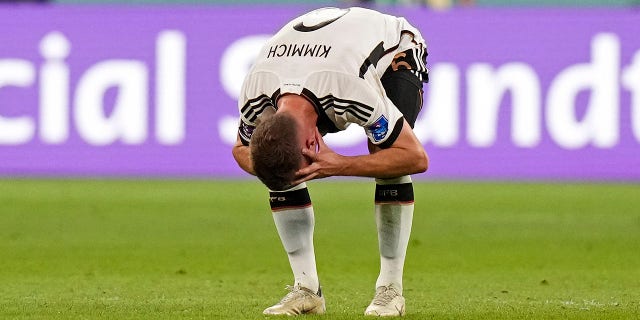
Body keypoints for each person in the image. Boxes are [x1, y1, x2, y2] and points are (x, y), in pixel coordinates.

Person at [232, 6, 429, 317]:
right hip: (318, 57)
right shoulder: (256, 93)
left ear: (313, 140)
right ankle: (306, 290)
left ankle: (390, 291)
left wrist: (339, 164)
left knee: (387, 156)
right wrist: (275, 170)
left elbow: (414, 156)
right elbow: (241, 148)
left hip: (393, 49)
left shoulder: (348, 89)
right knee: (278, 162)